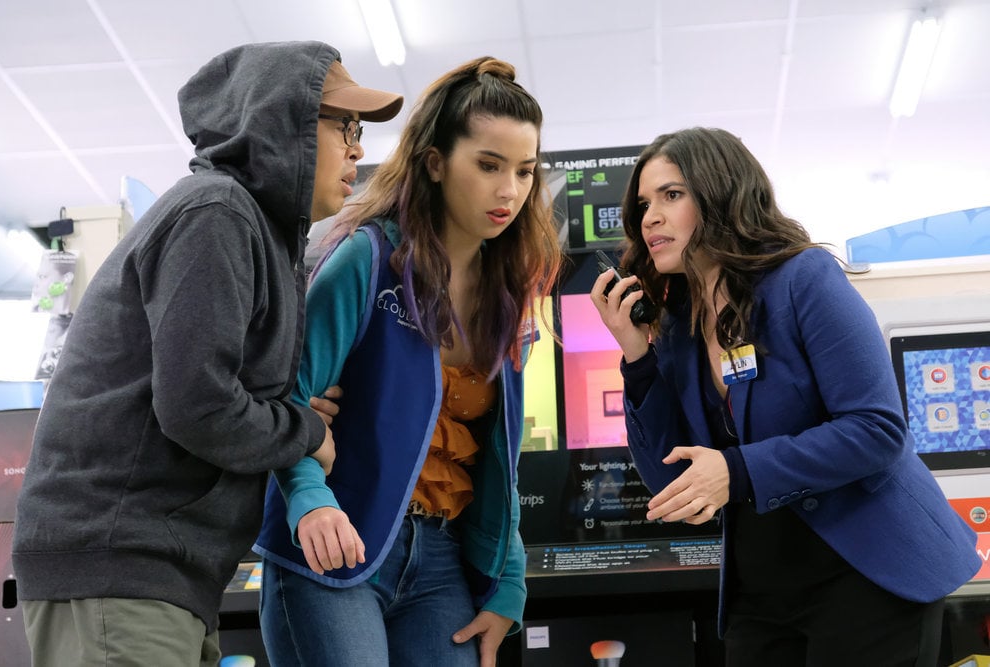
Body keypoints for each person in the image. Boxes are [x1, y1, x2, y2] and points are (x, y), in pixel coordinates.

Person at [12, 41, 403, 666]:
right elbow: (197, 405)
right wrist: (305, 432)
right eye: (343, 125)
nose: (359, 147)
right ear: (284, 122)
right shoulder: (216, 214)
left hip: (163, 572)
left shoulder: (261, 231)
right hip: (118, 563)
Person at [590, 127, 980, 667]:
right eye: (643, 204)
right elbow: (670, 481)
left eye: (672, 195)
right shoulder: (679, 325)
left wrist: (738, 470)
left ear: (721, 193)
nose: (649, 217)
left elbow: (877, 429)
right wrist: (637, 357)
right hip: (763, 594)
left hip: (867, 574)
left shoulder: (804, 278)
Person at [253, 56, 562, 667]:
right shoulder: (365, 261)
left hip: (445, 564)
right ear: (435, 163)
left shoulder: (510, 294)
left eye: (525, 172)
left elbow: (500, 453)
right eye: (489, 165)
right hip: (337, 545)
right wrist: (309, 499)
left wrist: (508, 581)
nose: (510, 191)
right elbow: (288, 399)